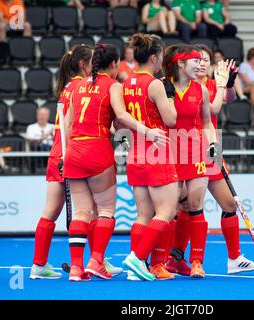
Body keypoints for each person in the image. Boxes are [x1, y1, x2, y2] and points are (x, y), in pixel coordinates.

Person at [63, 42, 167, 281]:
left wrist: (67, 155)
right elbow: (120, 116)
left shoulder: (77, 87)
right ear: (113, 64)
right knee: (106, 210)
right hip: (97, 150)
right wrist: (148, 132)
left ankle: (77, 269)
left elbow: (68, 126)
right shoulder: (113, 86)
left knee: (81, 211)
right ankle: (96, 261)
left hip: (74, 151)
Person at [165, 43, 254, 276]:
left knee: (229, 204)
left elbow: (227, 99)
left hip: (210, 148)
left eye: (206, 60)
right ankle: (173, 256)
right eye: (198, 60)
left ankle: (234, 258)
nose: (202, 64)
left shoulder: (207, 85)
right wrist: (220, 85)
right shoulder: (178, 85)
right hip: (184, 149)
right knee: (184, 207)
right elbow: (216, 107)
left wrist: (227, 83)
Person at [29, 44, 122, 280]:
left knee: (56, 212)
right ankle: (93, 261)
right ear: (84, 64)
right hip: (77, 151)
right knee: (94, 210)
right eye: (93, 61)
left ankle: (42, 264)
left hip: (62, 154)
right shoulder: (86, 86)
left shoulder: (69, 88)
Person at [121, 33, 179, 281]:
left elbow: (120, 121)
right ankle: (137, 257)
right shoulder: (154, 84)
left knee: (143, 214)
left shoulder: (126, 82)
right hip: (157, 150)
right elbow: (171, 119)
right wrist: (169, 94)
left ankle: (138, 268)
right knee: (166, 211)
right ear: (154, 57)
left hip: (136, 152)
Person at [161, 43, 219, 278]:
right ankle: (162, 259)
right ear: (181, 64)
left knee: (195, 207)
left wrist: (213, 143)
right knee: (169, 209)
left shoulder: (202, 90)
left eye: (201, 61)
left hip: (195, 152)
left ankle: (196, 261)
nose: (201, 65)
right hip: (169, 153)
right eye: (195, 61)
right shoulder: (163, 87)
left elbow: (207, 122)